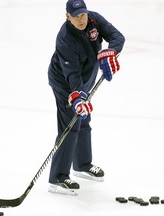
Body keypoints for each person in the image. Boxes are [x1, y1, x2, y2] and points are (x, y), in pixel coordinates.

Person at [47, 0, 125, 195]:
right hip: (65, 82)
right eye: (76, 16)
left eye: (83, 14)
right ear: (67, 17)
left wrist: (110, 52)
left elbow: (117, 36)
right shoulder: (64, 38)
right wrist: (77, 98)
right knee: (70, 124)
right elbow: (71, 74)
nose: (81, 19)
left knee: (84, 119)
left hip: (87, 77)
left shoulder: (94, 20)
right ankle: (58, 177)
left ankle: (82, 164)